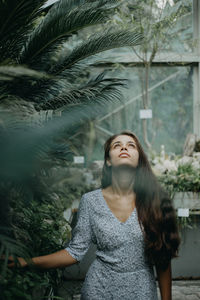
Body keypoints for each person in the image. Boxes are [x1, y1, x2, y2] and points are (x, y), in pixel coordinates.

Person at [8, 131, 180, 300]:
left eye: (131, 145)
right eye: (117, 145)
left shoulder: (155, 200)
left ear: (139, 160)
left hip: (141, 290)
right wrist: (26, 262)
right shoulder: (90, 201)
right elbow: (75, 252)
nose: (124, 148)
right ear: (108, 161)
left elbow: (163, 258)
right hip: (99, 289)